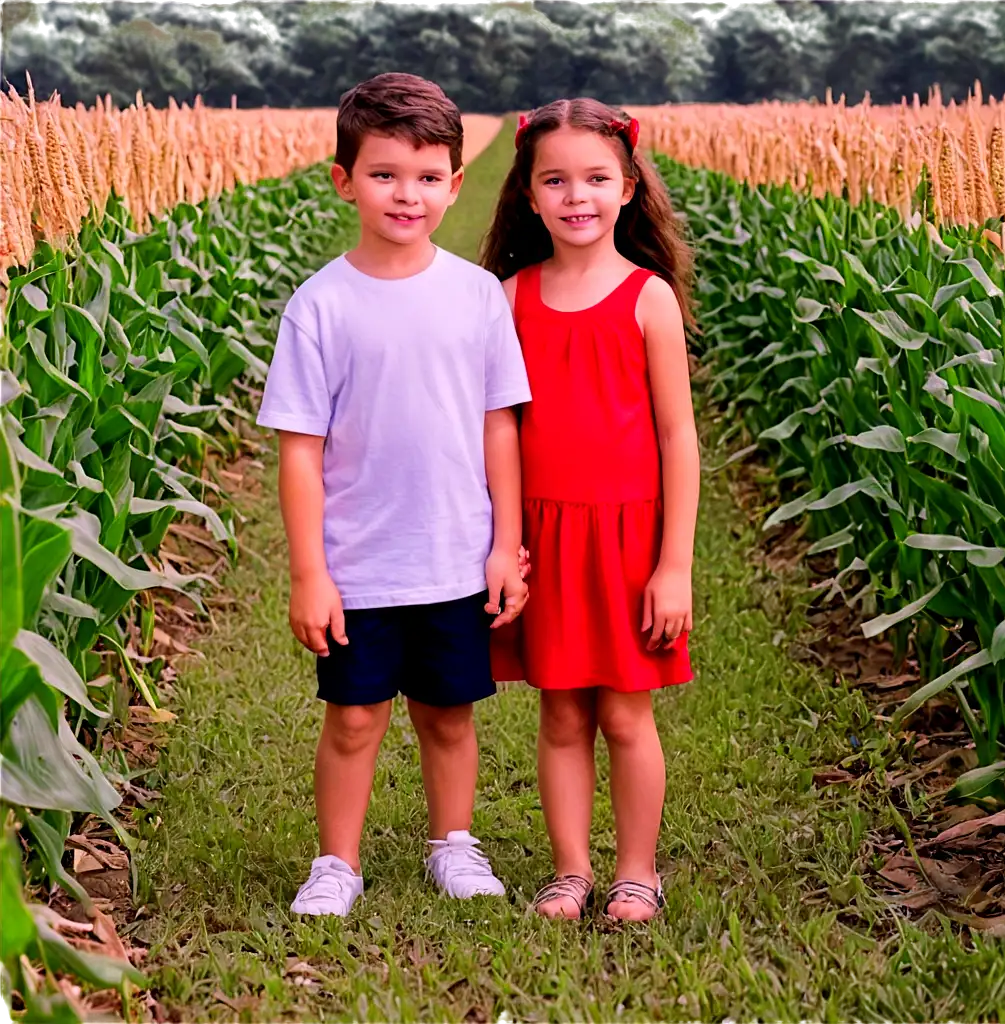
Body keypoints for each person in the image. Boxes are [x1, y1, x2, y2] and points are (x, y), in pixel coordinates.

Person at [257, 73, 532, 917]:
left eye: (425, 176)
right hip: (361, 564)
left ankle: (453, 844)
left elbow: (498, 427)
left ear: (456, 180)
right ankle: (336, 863)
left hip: (455, 554)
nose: (405, 194)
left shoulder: (478, 296)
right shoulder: (320, 307)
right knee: (353, 718)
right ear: (344, 181)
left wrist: (503, 544)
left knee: (449, 715)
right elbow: (300, 453)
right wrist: (312, 574)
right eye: (383, 174)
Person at [482, 99, 700, 923]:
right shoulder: (511, 298)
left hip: (627, 538)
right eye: (556, 180)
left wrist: (672, 564)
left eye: (596, 178)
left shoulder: (648, 301)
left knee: (624, 711)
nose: (577, 196)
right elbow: (497, 427)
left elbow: (679, 439)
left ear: (630, 185)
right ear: (530, 195)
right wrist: (507, 540)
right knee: (562, 708)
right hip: (547, 533)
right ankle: (571, 870)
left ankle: (637, 871)